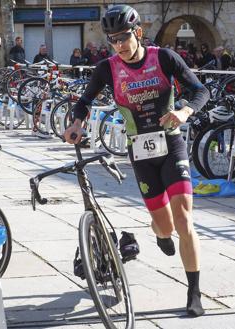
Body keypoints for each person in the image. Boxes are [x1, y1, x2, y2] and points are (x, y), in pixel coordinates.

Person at [64, 5, 209, 317]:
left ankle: (194, 291)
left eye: (124, 38)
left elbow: (201, 90)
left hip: (171, 145)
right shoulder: (107, 68)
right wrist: (76, 124)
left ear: (138, 33)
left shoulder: (164, 58)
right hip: (141, 153)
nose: (119, 45)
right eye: (113, 40)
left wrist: (184, 112)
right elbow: (85, 101)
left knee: (184, 220)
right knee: (165, 224)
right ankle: (159, 233)